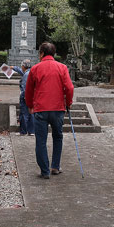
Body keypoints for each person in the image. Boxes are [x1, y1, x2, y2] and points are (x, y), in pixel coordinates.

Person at [24, 41, 74, 179]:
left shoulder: (35, 69)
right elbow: (69, 88)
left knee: (41, 139)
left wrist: (30, 105)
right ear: (54, 54)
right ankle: (55, 166)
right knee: (58, 137)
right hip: (58, 108)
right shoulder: (62, 67)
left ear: (41, 54)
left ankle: (45, 171)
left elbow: (28, 91)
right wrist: (68, 103)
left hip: (40, 108)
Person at [12, 60, 34, 136]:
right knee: (31, 114)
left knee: (24, 114)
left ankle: (23, 131)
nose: (21, 67)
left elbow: (25, 87)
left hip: (25, 97)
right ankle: (31, 131)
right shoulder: (30, 72)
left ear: (24, 66)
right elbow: (20, 71)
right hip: (32, 96)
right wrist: (13, 68)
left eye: (21, 66)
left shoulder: (26, 75)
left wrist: (24, 97)